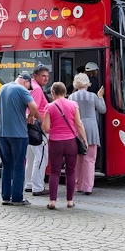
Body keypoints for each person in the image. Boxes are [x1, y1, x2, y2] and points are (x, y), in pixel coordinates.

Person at [41, 82, 87, 210]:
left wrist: (54, 129)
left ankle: (52, 202)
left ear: (53, 93)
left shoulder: (49, 107)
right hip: (71, 142)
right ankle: (70, 201)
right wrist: (85, 140)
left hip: (55, 143)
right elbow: (79, 124)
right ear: (65, 93)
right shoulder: (73, 105)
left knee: (55, 172)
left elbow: (45, 127)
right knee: (71, 171)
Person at [0, 73, 41, 206]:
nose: (29, 89)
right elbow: (33, 107)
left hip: (2, 133)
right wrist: (31, 117)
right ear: (26, 82)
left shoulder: (2, 88)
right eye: (29, 86)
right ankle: (17, 198)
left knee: (7, 166)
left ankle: (5, 197)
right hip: (18, 134)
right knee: (19, 166)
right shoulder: (22, 89)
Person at [68, 73, 105, 195]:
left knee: (78, 159)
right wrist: (100, 97)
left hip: (77, 128)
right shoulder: (93, 96)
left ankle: (78, 185)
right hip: (91, 129)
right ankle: (88, 187)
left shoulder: (72, 97)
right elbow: (102, 110)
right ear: (87, 83)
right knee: (90, 159)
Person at [24, 65, 50, 196]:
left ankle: (29, 184)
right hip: (37, 127)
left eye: (47, 75)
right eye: (43, 76)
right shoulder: (38, 89)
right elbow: (33, 108)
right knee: (41, 157)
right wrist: (42, 123)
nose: (46, 78)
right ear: (35, 76)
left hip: (28, 126)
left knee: (31, 156)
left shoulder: (30, 87)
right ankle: (38, 187)